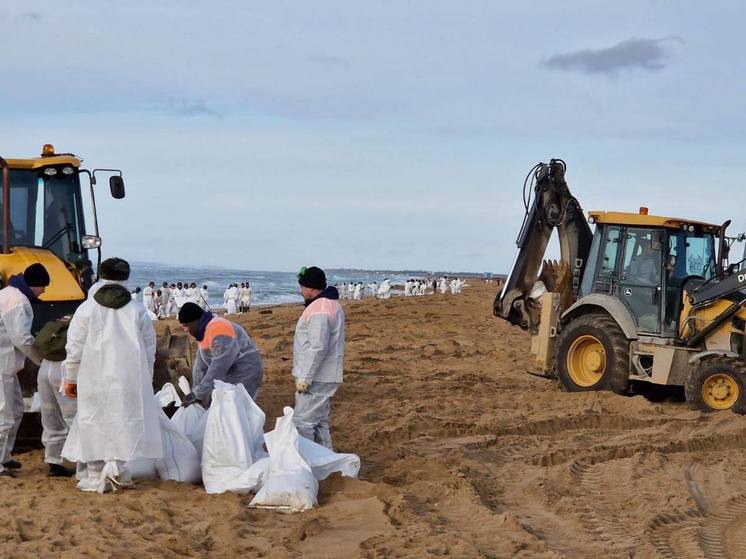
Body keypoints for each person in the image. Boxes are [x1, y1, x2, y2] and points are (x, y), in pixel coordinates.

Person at [61, 258, 162, 492]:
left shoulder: (86, 308)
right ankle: (119, 471)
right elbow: (149, 348)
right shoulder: (137, 309)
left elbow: (74, 347)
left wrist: (71, 378)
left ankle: (96, 476)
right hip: (128, 377)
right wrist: (145, 378)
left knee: (93, 422)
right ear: (125, 278)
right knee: (125, 421)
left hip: (93, 375)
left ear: (100, 276)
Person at [0, 263, 49, 477]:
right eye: (43, 286)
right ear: (35, 284)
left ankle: (5, 456)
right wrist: (41, 359)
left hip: (8, 366)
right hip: (2, 365)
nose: (44, 291)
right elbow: (22, 338)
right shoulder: (17, 300)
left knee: (17, 410)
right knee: (5, 415)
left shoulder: (8, 293)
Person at [293, 266, 345, 449]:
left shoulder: (320, 309)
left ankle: (307, 462)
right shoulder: (328, 304)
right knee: (320, 422)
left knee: (303, 422)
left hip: (318, 376)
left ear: (310, 287)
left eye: (302, 287)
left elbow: (318, 346)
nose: (300, 291)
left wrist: (305, 377)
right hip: (323, 374)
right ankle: (326, 460)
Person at [178, 302, 263, 405]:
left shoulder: (219, 330)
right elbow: (200, 366)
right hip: (229, 371)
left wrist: (197, 394)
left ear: (195, 322)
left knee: (235, 408)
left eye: (186, 326)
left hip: (245, 371)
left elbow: (218, 367)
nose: (185, 330)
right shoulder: (202, 333)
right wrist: (195, 390)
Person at [33, 318, 77, 477]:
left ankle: (54, 462)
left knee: (50, 417)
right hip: (66, 373)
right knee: (74, 416)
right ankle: (84, 463)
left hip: (45, 369)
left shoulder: (57, 325)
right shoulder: (82, 322)